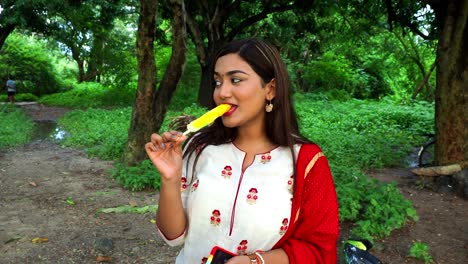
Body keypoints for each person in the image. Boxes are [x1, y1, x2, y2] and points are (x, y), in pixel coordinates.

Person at [146, 38, 339, 264]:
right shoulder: (199, 147)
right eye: (217, 82)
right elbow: (173, 237)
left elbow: (317, 247)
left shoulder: (306, 162)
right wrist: (169, 179)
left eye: (235, 80)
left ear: (271, 89)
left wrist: (255, 261)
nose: (222, 93)